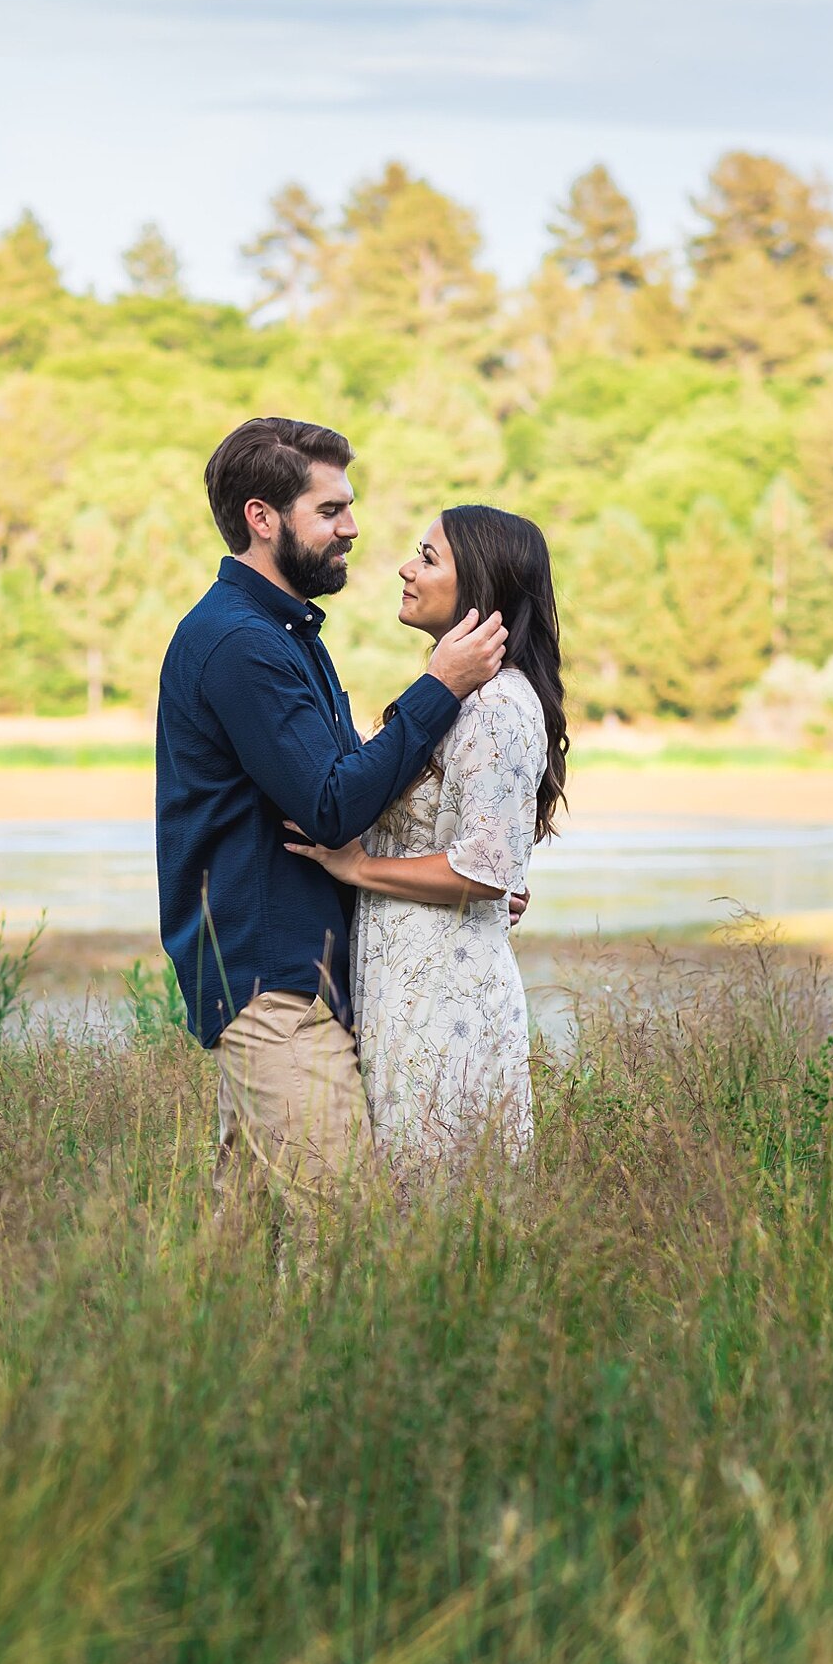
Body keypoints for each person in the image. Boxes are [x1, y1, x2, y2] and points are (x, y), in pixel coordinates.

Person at [155, 416, 517, 1242]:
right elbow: (328, 805)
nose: (352, 526)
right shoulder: (239, 645)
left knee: (242, 1247)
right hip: (273, 989)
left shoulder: (284, 636)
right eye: (331, 510)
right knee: (345, 1233)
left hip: (287, 979)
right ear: (263, 517)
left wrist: (468, 873)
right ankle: (325, 1373)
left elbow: (340, 804)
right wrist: (441, 685)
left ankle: (195, 1371)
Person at [286, 504, 568, 1185]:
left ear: (482, 585)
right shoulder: (460, 698)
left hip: (448, 1005)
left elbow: (485, 870)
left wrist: (358, 867)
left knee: (444, 1209)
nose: (406, 569)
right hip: (403, 992)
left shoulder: (500, 706)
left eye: (428, 557)